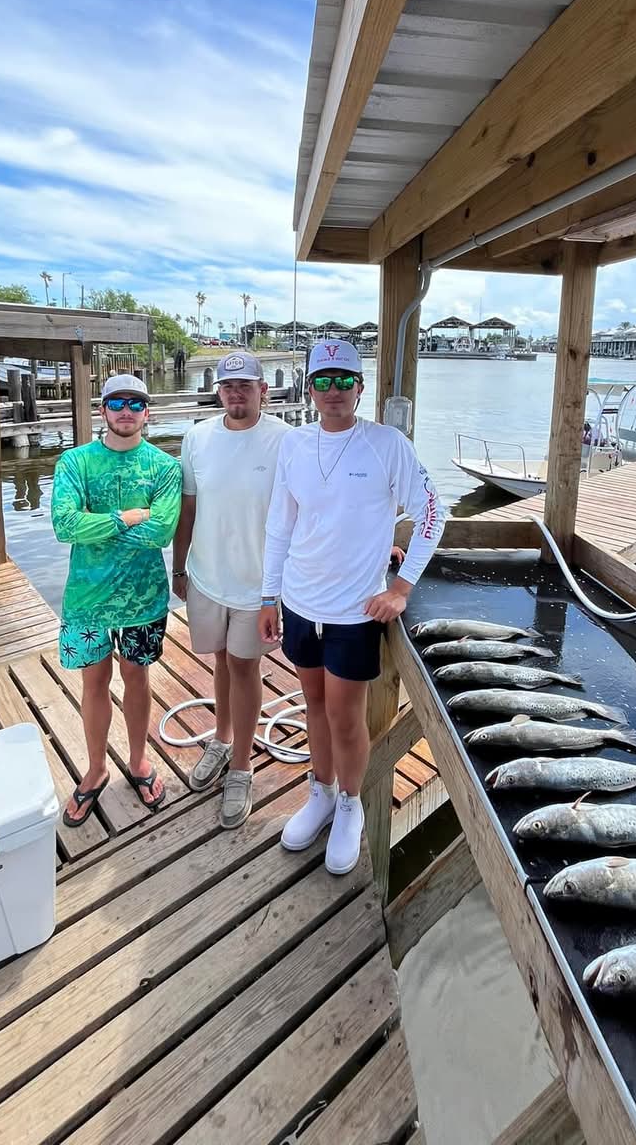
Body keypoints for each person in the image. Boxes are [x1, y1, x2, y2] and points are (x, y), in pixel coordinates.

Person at [259, 339, 445, 874]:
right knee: (314, 706)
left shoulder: (387, 444)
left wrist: (401, 588)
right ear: (309, 388)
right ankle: (319, 793)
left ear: (360, 388)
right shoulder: (294, 445)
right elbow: (280, 525)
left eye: (345, 380)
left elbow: (434, 513)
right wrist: (268, 596)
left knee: (346, 716)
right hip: (299, 603)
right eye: (323, 380)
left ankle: (349, 803)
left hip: (354, 612)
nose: (334, 390)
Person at [51, 372, 182, 826]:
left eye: (136, 403)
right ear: (102, 410)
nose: (127, 411)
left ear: (148, 413)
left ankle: (139, 759)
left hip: (143, 598)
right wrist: (127, 517)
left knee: (136, 676)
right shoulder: (74, 462)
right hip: (86, 598)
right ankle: (95, 768)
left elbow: (160, 533)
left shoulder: (165, 467)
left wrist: (99, 524)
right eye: (117, 403)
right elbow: (65, 525)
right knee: (93, 681)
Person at [171, 351, 289, 827]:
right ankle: (222, 738)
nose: (236, 392)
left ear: (263, 390)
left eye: (245, 384)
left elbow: (310, 506)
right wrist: (178, 568)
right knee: (220, 659)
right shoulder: (196, 437)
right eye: (228, 385)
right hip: (206, 575)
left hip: (258, 585)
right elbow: (188, 507)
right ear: (217, 391)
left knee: (244, 665)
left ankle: (241, 765)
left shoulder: (286, 439)